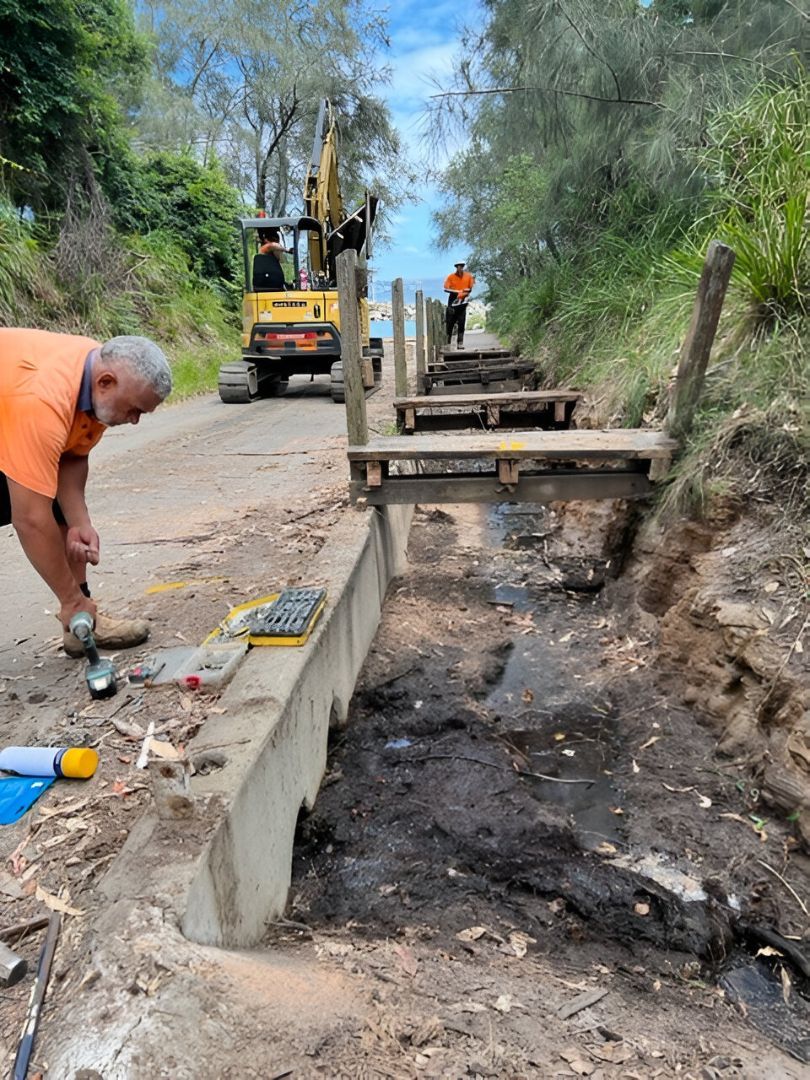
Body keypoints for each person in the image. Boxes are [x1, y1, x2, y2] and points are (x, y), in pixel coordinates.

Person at [0, 330, 172, 656]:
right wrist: (69, 599)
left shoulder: (97, 379)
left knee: (49, 493)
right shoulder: (44, 400)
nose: (134, 421)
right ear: (105, 383)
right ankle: (76, 607)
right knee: (34, 502)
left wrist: (79, 522)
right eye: (134, 410)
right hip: (18, 406)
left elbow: (72, 454)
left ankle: (80, 625)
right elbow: (31, 520)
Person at [443, 260, 475, 349]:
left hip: (462, 301)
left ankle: (460, 342)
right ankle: (448, 342)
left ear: (463, 266)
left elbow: (470, 288)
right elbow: (446, 288)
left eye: (461, 266)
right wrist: (456, 291)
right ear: (456, 267)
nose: (459, 267)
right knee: (450, 322)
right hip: (453, 301)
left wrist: (464, 291)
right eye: (458, 266)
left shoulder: (468, 277)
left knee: (461, 322)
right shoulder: (451, 277)